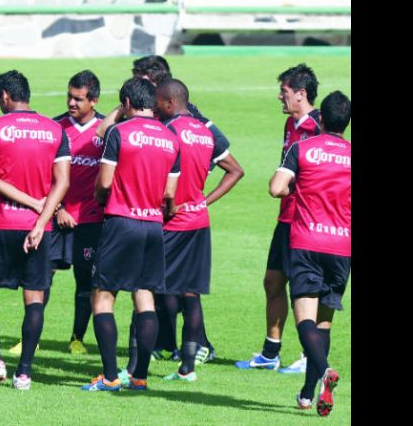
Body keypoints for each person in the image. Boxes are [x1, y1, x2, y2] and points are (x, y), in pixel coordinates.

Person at [0, 70, 70, 391]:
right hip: (37, 230)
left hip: (1, 225)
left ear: (4, 95)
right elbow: (63, 182)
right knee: (34, 299)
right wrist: (42, 219)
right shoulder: (55, 130)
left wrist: (30, 203)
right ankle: (24, 373)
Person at [81, 77, 180, 392]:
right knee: (145, 296)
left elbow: (105, 183)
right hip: (152, 225)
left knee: (103, 297)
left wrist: (99, 200)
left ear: (125, 103)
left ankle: (109, 376)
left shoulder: (118, 132)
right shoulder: (171, 138)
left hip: (121, 221)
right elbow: (169, 193)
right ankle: (139, 376)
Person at [152, 79, 244, 382]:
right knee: (191, 293)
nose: (153, 107)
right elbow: (236, 170)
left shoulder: (168, 133)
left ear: (168, 103)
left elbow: (164, 182)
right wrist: (204, 200)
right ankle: (188, 367)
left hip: (171, 222)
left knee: (155, 289)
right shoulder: (205, 133)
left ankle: (140, 362)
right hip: (198, 222)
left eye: (156, 102)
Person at [8, 70, 104, 356]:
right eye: (69, 97)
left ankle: (77, 338)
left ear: (94, 101)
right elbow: (43, 175)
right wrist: (59, 208)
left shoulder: (105, 133)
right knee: (41, 277)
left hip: (90, 219)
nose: (72, 103)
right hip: (54, 215)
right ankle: (30, 338)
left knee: (86, 281)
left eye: (79, 99)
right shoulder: (54, 128)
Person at [268, 91, 350, 416]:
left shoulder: (302, 148)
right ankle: (307, 393)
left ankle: (326, 370)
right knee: (324, 323)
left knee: (305, 318)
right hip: (342, 247)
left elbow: (276, 188)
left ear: (322, 119)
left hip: (306, 242)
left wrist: (295, 187)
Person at [236, 63, 321, 373]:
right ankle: (271, 353)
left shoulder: (317, 127)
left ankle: (309, 355)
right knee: (273, 281)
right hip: (285, 218)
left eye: (283, 92)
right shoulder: (291, 125)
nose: (279, 97)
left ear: (301, 94)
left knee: (304, 290)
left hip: (305, 221)